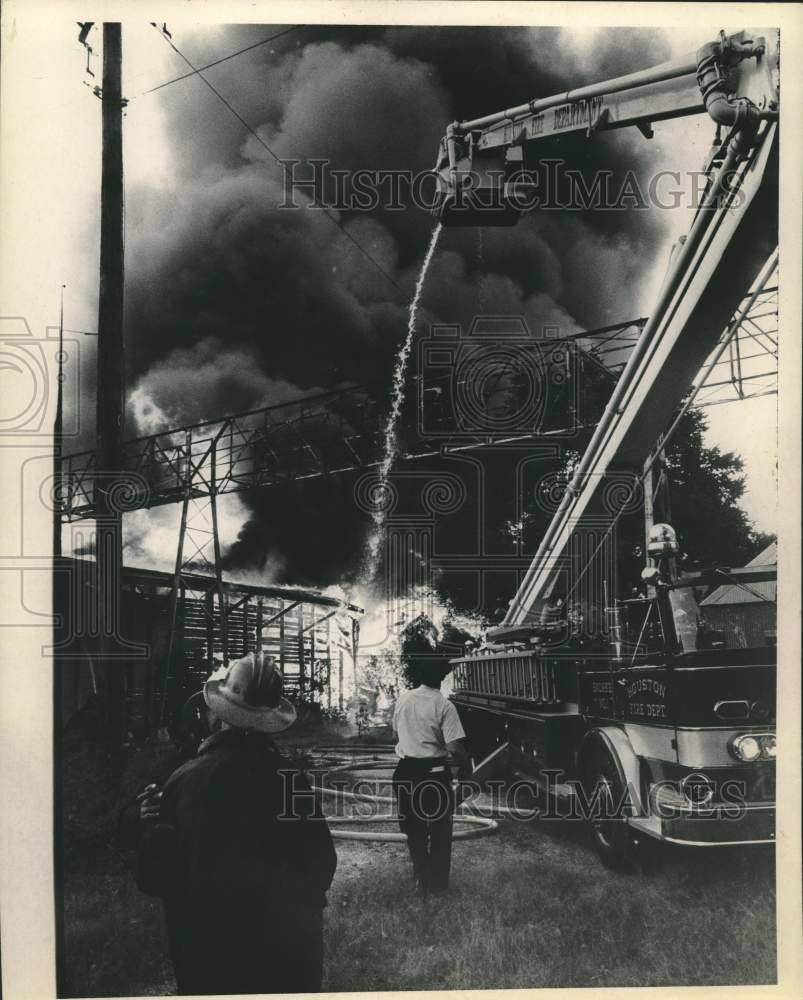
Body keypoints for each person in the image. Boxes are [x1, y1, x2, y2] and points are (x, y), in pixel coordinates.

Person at [138, 651, 337, 995]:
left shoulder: (181, 782)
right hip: (286, 960)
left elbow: (153, 877)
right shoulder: (291, 782)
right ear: (271, 717)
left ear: (218, 715)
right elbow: (322, 864)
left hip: (208, 960)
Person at [392, 658, 471, 895]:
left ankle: (421, 876)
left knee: (413, 828)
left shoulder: (403, 699)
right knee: (439, 829)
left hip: (406, 771)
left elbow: (393, 733)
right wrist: (466, 767)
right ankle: (437, 884)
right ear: (441, 679)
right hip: (434, 774)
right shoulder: (444, 706)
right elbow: (455, 747)